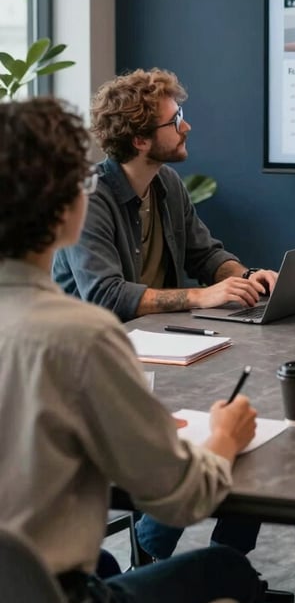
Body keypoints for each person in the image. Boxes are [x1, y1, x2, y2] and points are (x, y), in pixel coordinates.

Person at [0, 97, 266, 603]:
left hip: (17, 592)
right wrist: (225, 437)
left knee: (100, 563)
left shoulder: (166, 188)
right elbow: (181, 499)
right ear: (66, 210)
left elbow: (204, 251)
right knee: (230, 573)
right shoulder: (81, 338)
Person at [53, 68, 273, 562]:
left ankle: (227, 560)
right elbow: (106, 294)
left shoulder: (166, 183)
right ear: (139, 139)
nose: (187, 127)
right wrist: (202, 298)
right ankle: (154, 559)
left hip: (165, 349)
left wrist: (246, 275)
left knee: (250, 421)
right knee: (218, 432)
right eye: (177, 120)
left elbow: (207, 254)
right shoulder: (92, 198)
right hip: (106, 362)